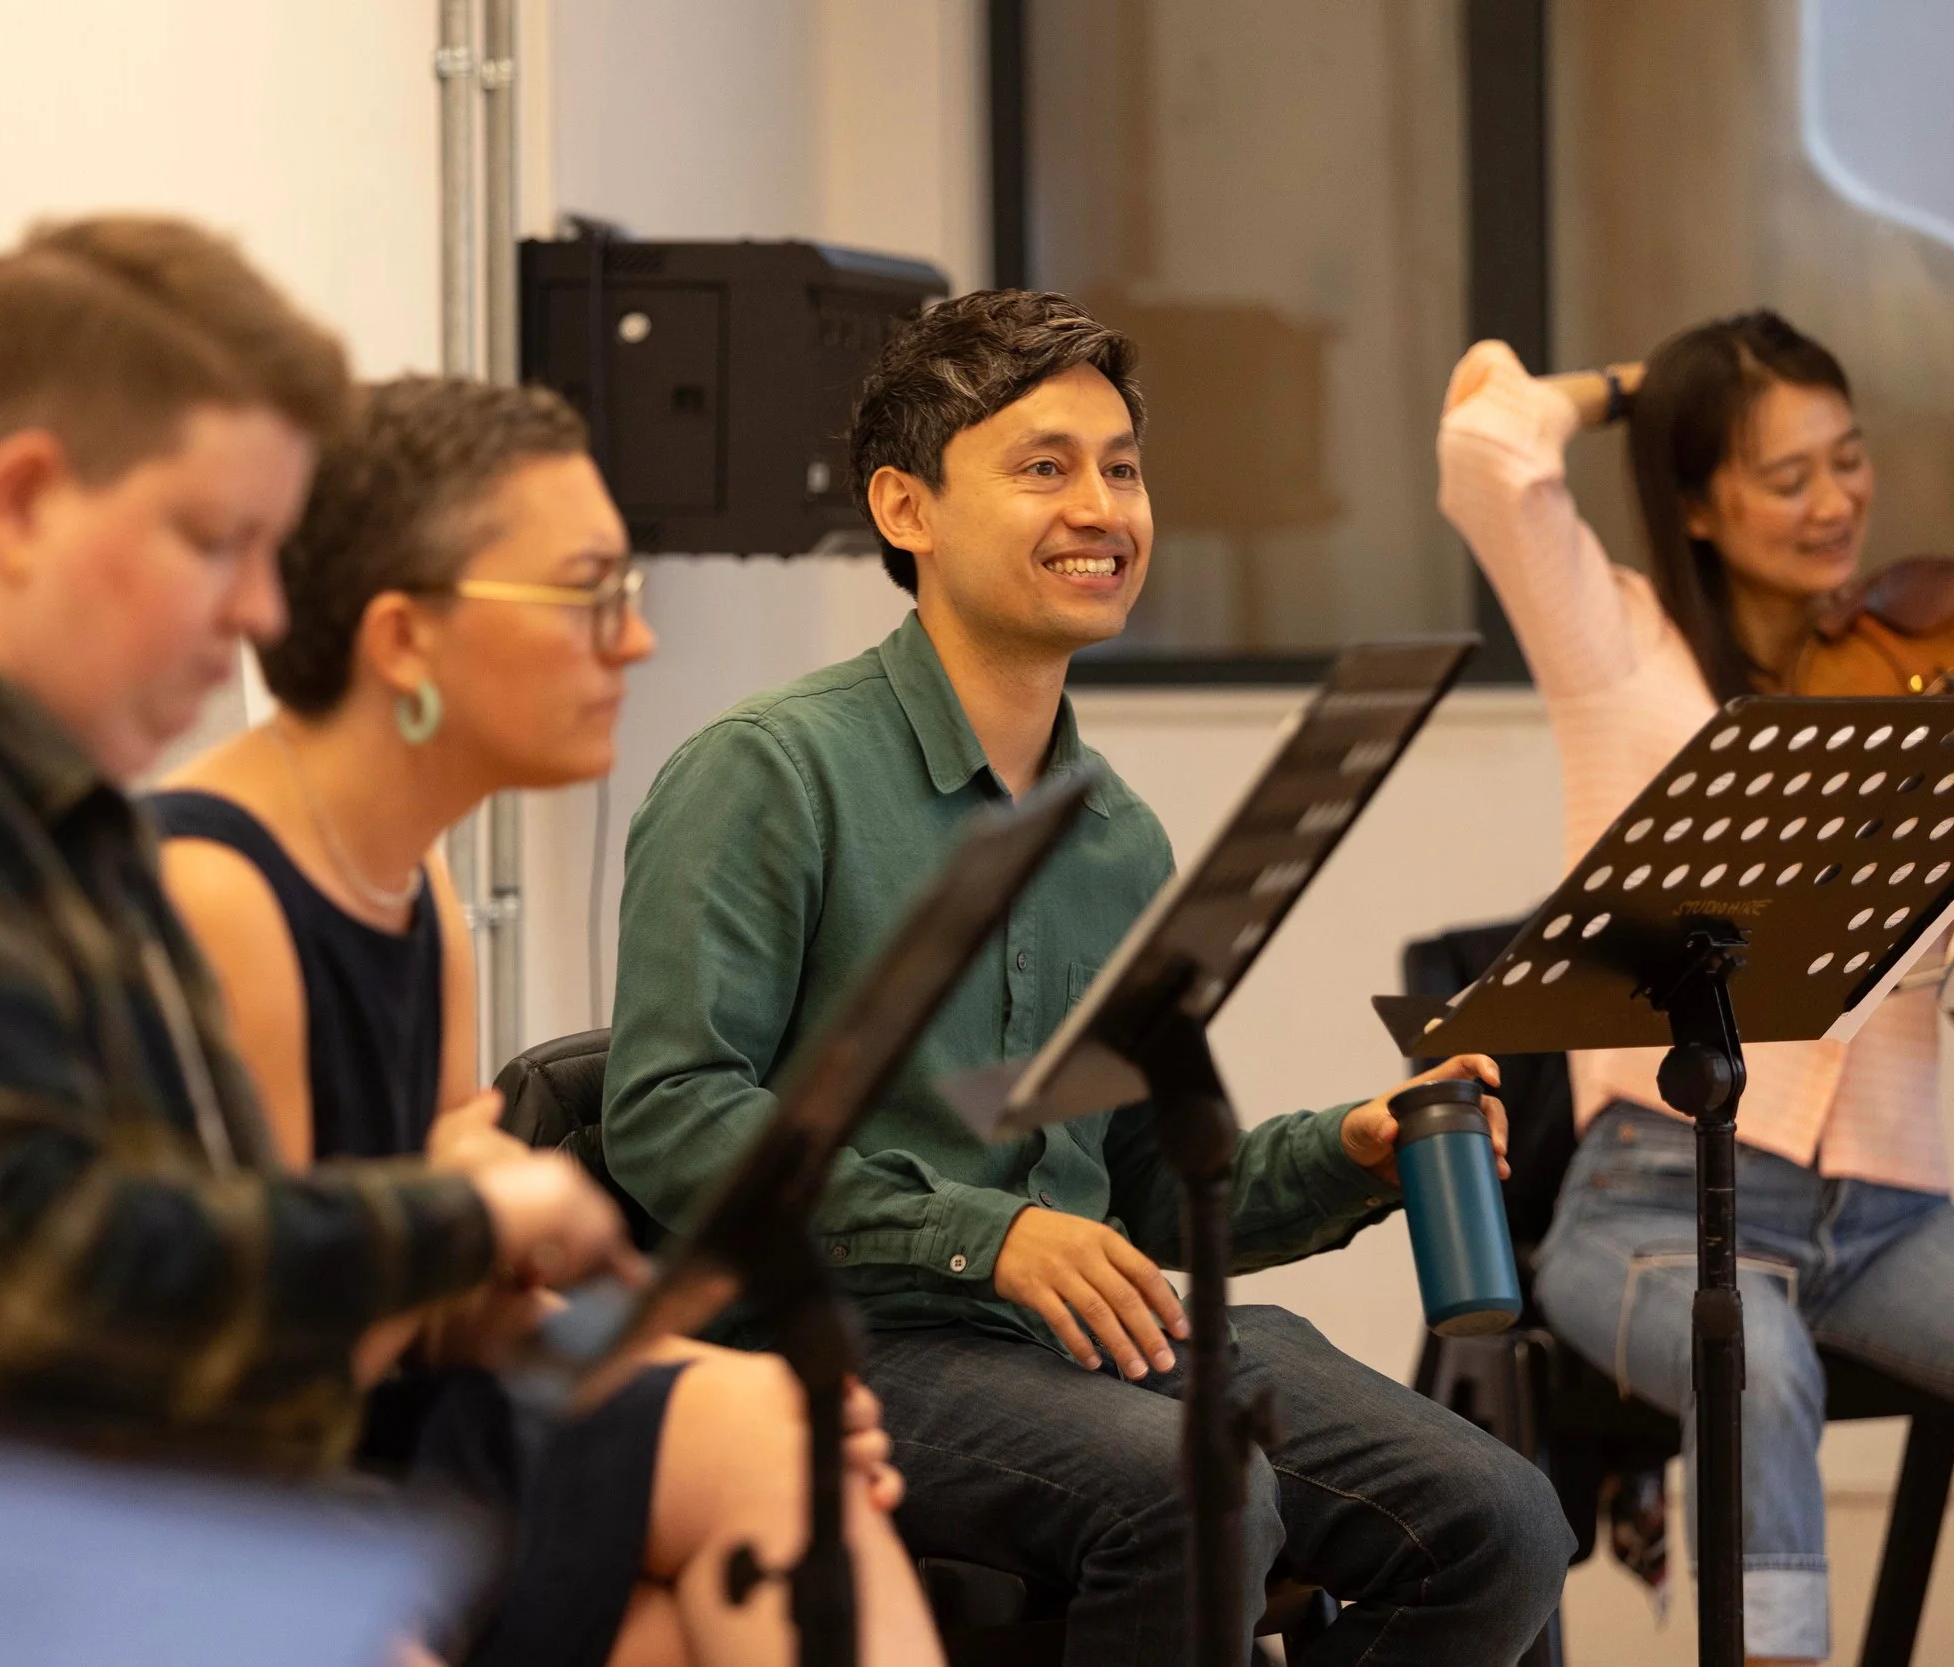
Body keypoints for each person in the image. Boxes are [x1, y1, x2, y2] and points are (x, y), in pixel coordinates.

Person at [0, 218, 631, 1602]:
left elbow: (200, 1252)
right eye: (218, 542)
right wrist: (458, 1218)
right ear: (24, 504)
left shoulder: (60, 823)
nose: (263, 611)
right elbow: (40, 1290)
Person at [603, 289, 1576, 1667]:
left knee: (1502, 1520)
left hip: (1075, 1343)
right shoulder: (767, 771)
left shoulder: (1115, 833)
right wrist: (984, 1235)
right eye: (1044, 467)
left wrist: (1346, 1153)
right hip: (840, 1338)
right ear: (905, 508)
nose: (1102, 508)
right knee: (1199, 1493)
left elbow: (1130, 1183)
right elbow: (672, 1114)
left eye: (1122, 469)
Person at [151, 375, 944, 1667]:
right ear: (403, 639)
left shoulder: (419, 886)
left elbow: (450, 1317)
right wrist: (468, 1212)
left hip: (393, 1434)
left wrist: (690, 1359)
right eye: (589, 595)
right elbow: (271, 1386)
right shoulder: (216, 895)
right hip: (241, 1494)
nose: (635, 642)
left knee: (769, 1443)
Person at [1438, 313, 1954, 1667]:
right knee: (1756, 1369)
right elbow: (1485, 442)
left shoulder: (1915, 681)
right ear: (1699, 503)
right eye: (1785, 473)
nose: (1835, 503)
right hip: (1653, 1197)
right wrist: (1650, 385)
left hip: (1887, 1218)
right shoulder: (1623, 648)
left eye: (1849, 459)